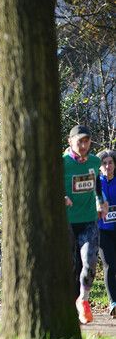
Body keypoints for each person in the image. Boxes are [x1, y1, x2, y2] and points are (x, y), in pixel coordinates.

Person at [63, 126, 107, 324]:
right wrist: (61, 196)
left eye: (86, 141)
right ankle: (68, 305)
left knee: (89, 265)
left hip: (89, 220)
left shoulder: (95, 161)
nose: (83, 145)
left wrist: (101, 201)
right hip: (67, 223)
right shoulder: (62, 163)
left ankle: (84, 300)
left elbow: (97, 184)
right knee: (71, 266)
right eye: (79, 141)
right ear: (70, 141)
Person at [97, 149, 116, 319]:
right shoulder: (96, 183)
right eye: (105, 163)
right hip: (102, 231)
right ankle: (113, 302)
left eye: (111, 162)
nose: (108, 166)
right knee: (109, 265)